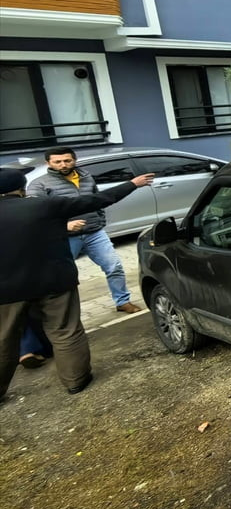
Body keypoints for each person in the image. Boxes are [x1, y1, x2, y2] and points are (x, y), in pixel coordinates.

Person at [0, 165, 154, 400]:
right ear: (21, 188)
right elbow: (99, 199)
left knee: (5, 338)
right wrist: (132, 184)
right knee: (65, 331)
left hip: (7, 289)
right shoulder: (46, 205)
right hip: (55, 281)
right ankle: (76, 381)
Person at [26, 147, 143, 314]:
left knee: (114, 266)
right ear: (48, 163)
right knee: (64, 276)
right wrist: (64, 226)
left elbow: (98, 200)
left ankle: (122, 301)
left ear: (74, 159)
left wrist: (99, 220)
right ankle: (63, 313)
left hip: (94, 232)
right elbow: (36, 213)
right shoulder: (39, 184)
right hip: (64, 238)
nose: (63, 164)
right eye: (57, 162)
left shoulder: (86, 177)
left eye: (67, 160)